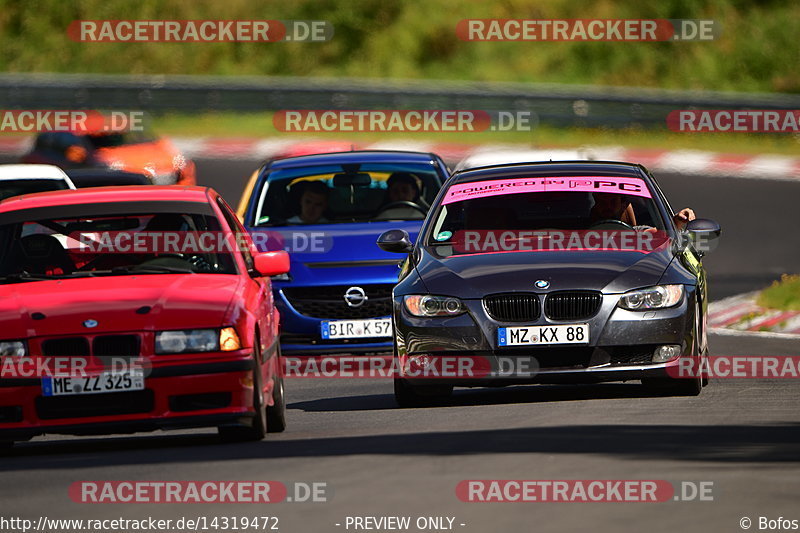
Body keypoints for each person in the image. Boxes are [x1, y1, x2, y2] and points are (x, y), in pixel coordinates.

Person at [590, 192, 695, 231]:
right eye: (602, 202)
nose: (608, 206)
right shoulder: (576, 232)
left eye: (613, 202)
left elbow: (662, 233)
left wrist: (677, 220)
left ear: (623, 205)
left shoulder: (636, 234)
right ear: (595, 203)